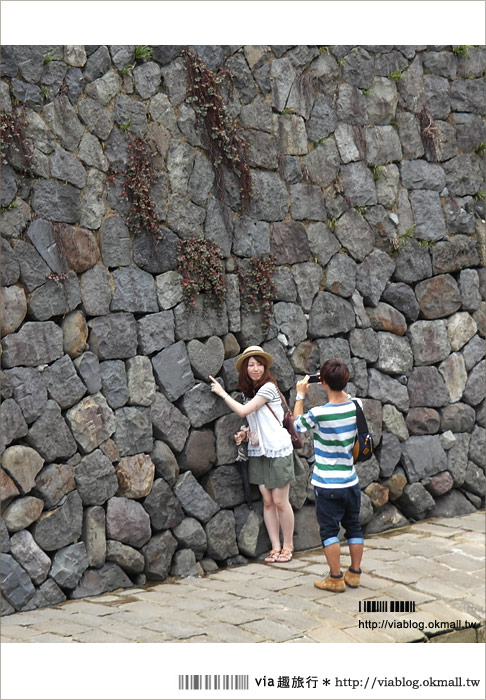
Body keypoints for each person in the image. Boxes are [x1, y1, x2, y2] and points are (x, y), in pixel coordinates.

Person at [209, 345, 295, 563]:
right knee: (267, 501)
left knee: (279, 500)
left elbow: (243, 411)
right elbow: (256, 420)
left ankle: (288, 546)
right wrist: (246, 435)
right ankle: (275, 547)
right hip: (259, 452)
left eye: (258, 364)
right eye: (251, 365)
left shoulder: (267, 388)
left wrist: (222, 393)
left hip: (278, 450)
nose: (255, 369)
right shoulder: (251, 393)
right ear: (245, 369)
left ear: (265, 367)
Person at [293, 358, 364, 592]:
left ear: (322, 382)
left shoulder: (320, 414)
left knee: (329, 531)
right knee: (353, 526)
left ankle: (335, 578)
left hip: (327, 484)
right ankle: (354, 574)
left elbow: (296, 425)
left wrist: (300, 395)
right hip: (350, 481)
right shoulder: (357, 406)